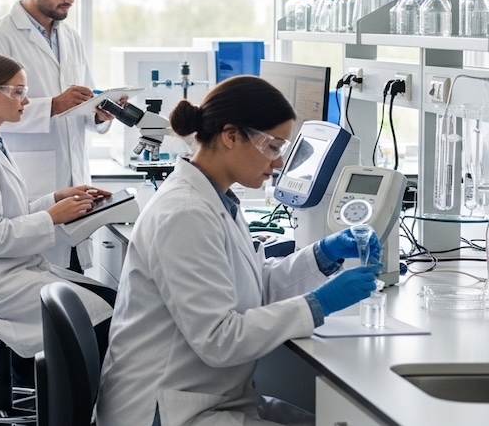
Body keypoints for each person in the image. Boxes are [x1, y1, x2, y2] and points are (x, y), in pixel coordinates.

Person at [96, 76, 382, 426]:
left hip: (201, 396)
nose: (278, 163)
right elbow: (220, 340)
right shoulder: (185, 213)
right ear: (230, 135)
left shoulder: (216, 198)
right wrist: (319, 304)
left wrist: (321, 256)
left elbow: (251, 287)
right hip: (164, 409)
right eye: (273, 146)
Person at [0, 52, 115, 386]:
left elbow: (7, 214)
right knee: (101, 317)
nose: (26, 100)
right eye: (18, 92)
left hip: (4, 271)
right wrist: (51, 217)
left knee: (108, 300)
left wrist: (54, 200)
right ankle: (73, 411)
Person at [0, 0, 121, 273]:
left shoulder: (71, 38)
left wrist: (99, 113)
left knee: (73, 285)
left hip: (74, 182)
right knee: (39, 293)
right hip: (30, 186)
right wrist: (52, 105)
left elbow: (80, 106)